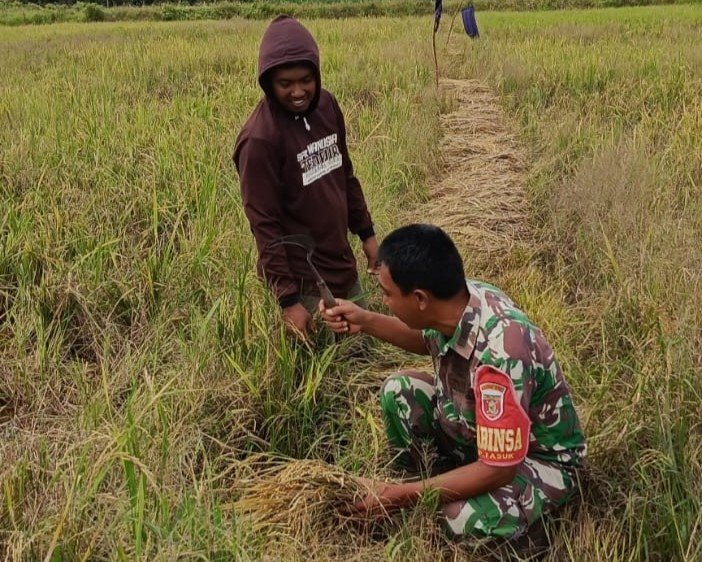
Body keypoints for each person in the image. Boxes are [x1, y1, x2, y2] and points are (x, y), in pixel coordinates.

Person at [320, 224, 586, 543]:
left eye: (387, 294)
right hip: (477, 433)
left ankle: (530, 530)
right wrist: (364, 320)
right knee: (399, 391)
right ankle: (422, 482)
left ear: (420, 298)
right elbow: (426, 339)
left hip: (532, 461)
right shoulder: (457, 300)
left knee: (455, 518)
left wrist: (402, 496)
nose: (384, 301)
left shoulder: (501, 354)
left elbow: (499, 469)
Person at [234, 15, 378, 339]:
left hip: (341, 263)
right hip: (305, 280)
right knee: (331, 363)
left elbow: (345, 174)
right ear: (268, 82)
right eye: (285, 83)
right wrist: (288, 301)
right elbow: (264, 224)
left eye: (306, 80)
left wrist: (367, 235)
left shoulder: (327, 106)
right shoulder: (259, 140)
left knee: (363, 348)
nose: (298, 91)